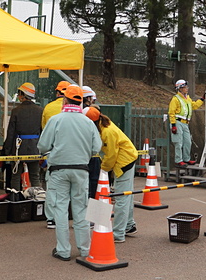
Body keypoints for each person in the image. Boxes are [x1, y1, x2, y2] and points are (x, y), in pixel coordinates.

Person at [38, 85, 101, 262]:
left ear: (65, 100)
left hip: (59, 170)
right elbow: (96, 147)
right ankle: (84, 249)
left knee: (60, 210)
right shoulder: (88, 122)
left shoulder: (56, 120)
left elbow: (43, 146)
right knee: (81, 210)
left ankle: (63, 250)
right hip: (81, 170)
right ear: (81, 101)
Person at [85, 106, 138, 244]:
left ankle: (118, 233)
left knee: (121, 198)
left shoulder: (107, 132)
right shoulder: (103, 125)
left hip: (123, 162)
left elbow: (111, 155)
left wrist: (104, 169)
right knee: (127, 196)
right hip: (126, 159)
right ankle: (128, 225)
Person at [4, 82, 43, 190]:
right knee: (35, 176)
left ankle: (15, 200)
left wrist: (7, 150)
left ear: (23, 94)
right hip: (35, 147)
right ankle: (37, 199)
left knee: (16, 175)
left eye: (19, 93)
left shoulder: (16, 111)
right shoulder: (40, 111)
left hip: (18, 147)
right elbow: (42, 130)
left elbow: (11, 132)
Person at [168, 79, 205, 167]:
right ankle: (178, 160)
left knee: (188, 142)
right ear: (179, 89)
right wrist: (173, 125)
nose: (187, 89)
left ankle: (186, 159)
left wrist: (202, 99)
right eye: (185, 87)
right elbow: (171, 112)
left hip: (185, 123)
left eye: (186, 87)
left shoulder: (187, 98)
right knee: (178, 142)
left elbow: (194, 106)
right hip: (177, 122)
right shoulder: (175, 99)